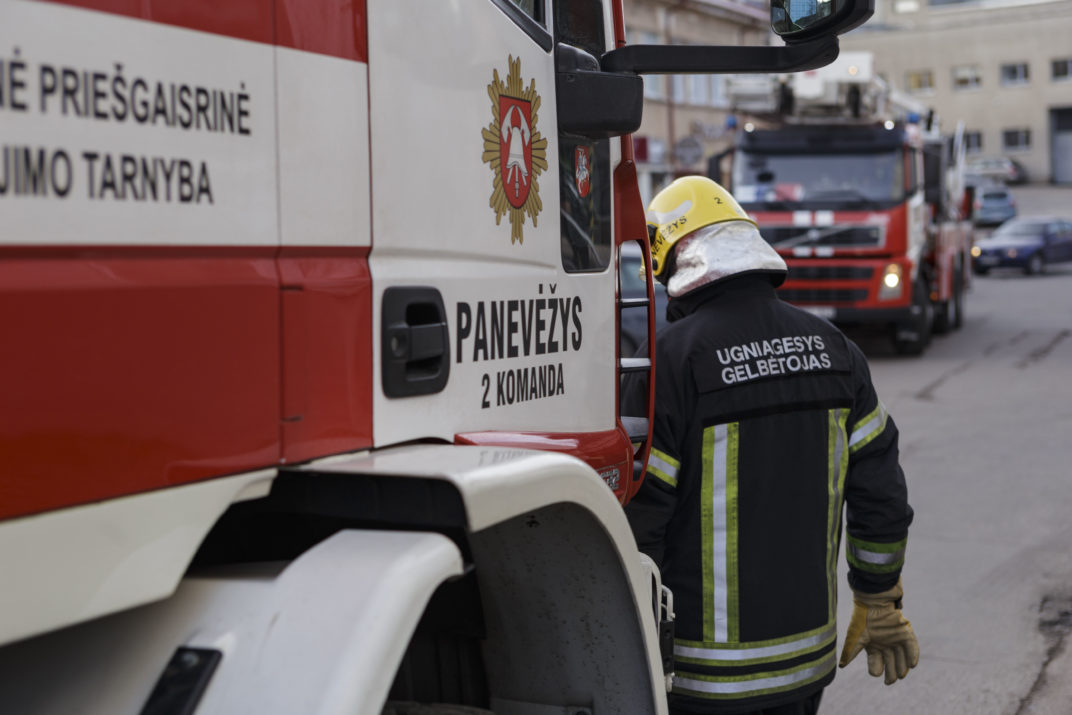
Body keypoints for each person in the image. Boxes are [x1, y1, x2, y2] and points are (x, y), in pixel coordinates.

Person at [623, 176, 918, 715]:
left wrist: (631, 642)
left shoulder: (669, 361)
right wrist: (879, 597)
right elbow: (882, 494)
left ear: (673, 266)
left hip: (701, 676)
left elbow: (642, 519)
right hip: (805, 665)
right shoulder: (836, 350)